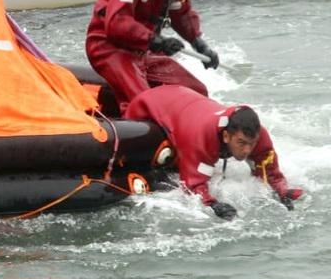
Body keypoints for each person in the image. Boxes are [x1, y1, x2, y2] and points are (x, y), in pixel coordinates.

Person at [85, 0, 221, 111]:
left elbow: (182, 14)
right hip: (109, 48)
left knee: (196, 91)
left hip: (142, 50)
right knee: (145, 103)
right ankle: (129, 116)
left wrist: (199, 43)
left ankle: (111, 99)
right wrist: (156, 41)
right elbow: (117, 23)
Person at [126, 85, 304, 220]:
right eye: (241, 143)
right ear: (226, 136)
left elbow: (270, 173)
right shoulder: (201, 137)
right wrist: (213, 204)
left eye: (252, 144)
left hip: (186, 101)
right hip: (148, 105)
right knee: (169, 164)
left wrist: (282, 192)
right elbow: (192, 186)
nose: (247, 150)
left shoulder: (258, 135)